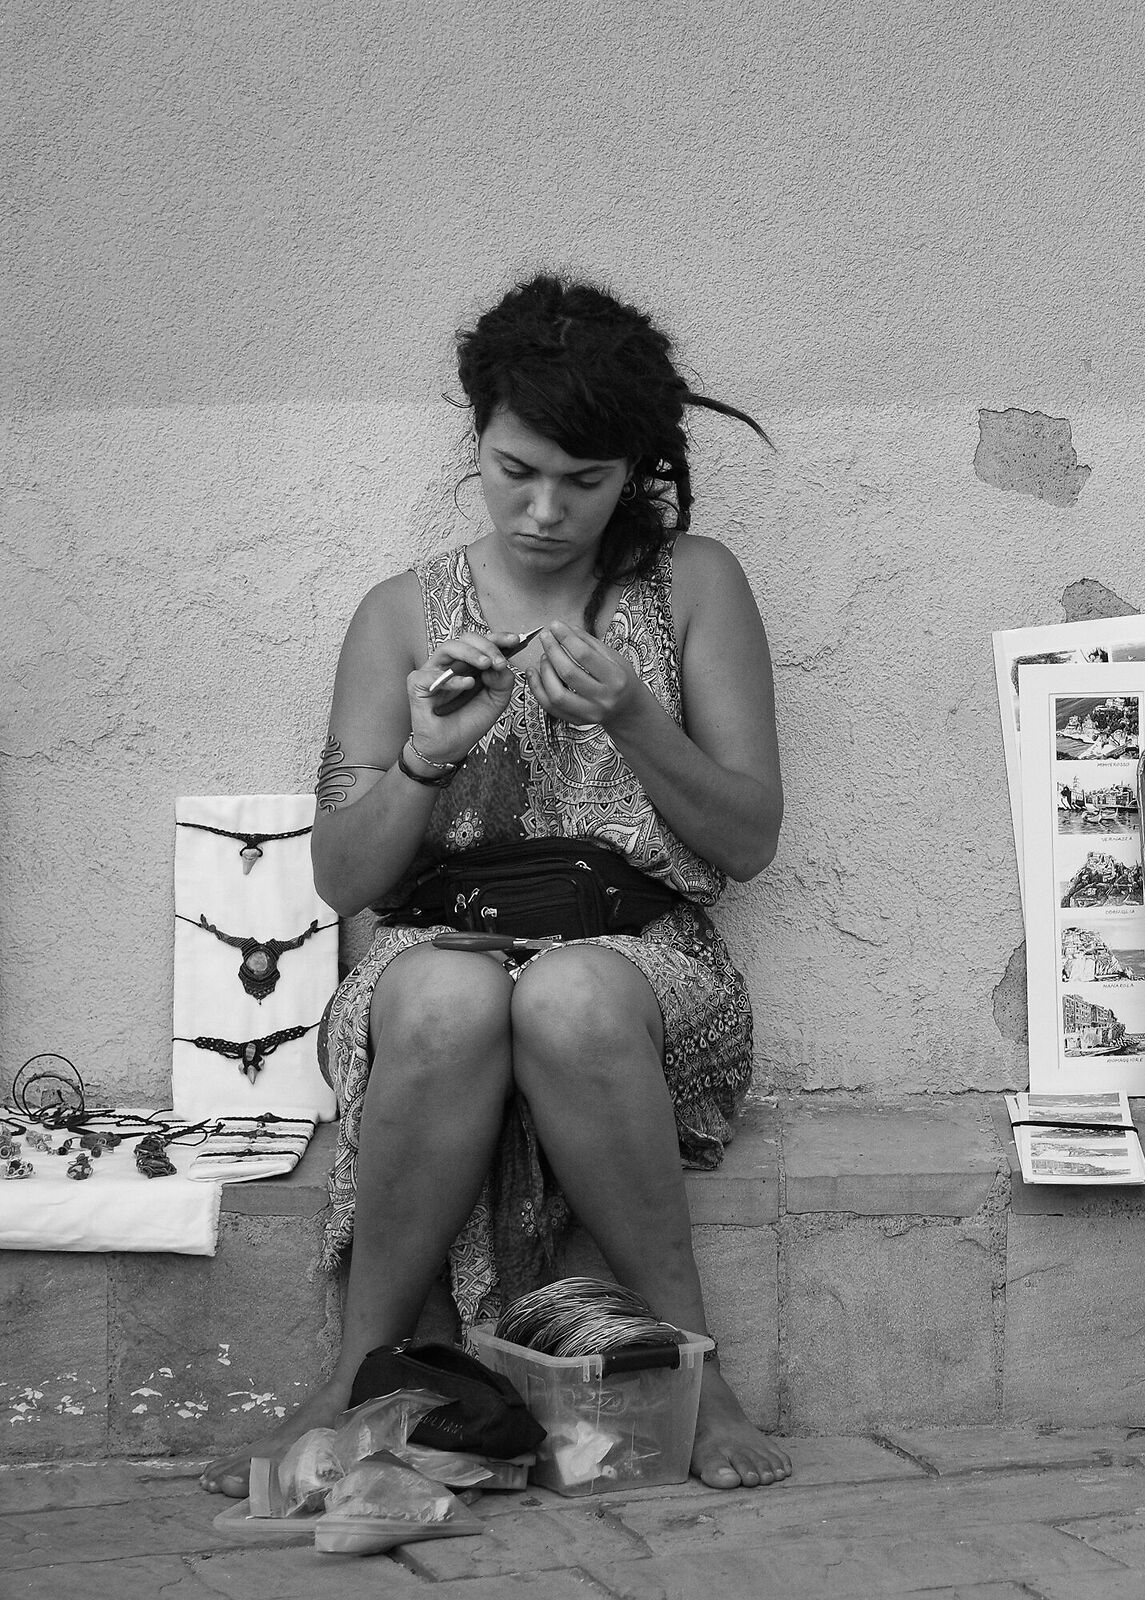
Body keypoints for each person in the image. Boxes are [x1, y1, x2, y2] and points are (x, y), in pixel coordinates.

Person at [202, 276, 791, 1494]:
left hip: (644, 963)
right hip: (441, 949)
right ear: (477, 442)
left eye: (583, 479)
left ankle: (699, 1368)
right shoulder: (403, 612)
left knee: (570, 996)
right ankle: (361, 1369)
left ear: (635, 469)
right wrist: (426, 756)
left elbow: (748, 836)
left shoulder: (691, 585)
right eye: (517, 469)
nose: (543, 509)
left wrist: (635, 716)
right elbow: (340, 875)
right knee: (439, 999)